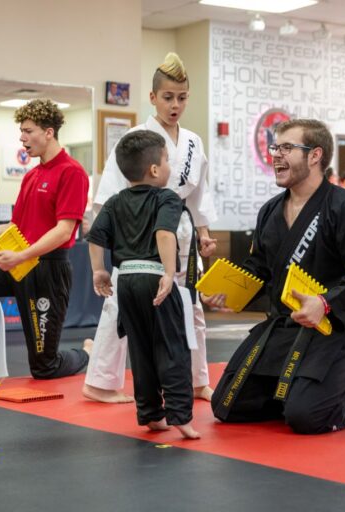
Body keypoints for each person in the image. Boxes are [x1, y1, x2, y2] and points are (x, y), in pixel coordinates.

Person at [205, 118, 345, 434]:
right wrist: (228, 287)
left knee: (304, 417)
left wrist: (324, 303)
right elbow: (259, 267)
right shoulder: (270, 211)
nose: (276, 154)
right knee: (226, 406)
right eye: (275, 147)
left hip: (330, 329)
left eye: (287, 147)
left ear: (315, 155)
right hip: (283, 325)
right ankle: (296, 391)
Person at [83, 52, 217, 403]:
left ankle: (196, 379)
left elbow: (199, 193)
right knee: (121, 305)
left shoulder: (193, 142)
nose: (176, 105)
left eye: (182, 98)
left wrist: (203, 232)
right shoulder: (136, 138)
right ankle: (99, 382)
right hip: (139, 229)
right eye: (169, 97)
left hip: (182, 232)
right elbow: (109, 193)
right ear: (153, 97)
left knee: (191, 305)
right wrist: (106, 249)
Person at [88, 130, 200, 439]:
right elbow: (164, 234)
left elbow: (96, 237)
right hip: (154, 276)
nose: (168, 166)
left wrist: (98, 271)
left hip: (126, 281)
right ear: (154, 169)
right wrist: (168, 273)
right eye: (166, 160)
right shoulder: (166, 197)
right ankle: (181, 416)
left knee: (140, 348)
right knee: (172, 346)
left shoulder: (115, 201)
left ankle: (151, 413)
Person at [0, 99, 90, 379]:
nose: (22, 137)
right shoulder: (31, 175)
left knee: (44, 367)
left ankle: (88, 352)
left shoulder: (72, 172)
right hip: (19, 263)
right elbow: (17, 225)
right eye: (21, 131)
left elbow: (64, 230)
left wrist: (22, 255)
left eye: (28, 130)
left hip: (47, 270)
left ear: (48, 132)